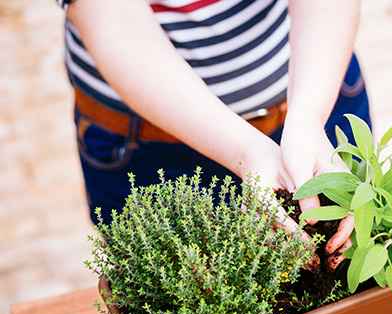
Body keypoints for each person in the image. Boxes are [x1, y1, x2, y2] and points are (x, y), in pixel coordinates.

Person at [56, 0, 371, 269]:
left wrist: (309, 117)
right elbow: (119, 30)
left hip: (316, 93)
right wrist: (247, 150)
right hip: (152, 150)